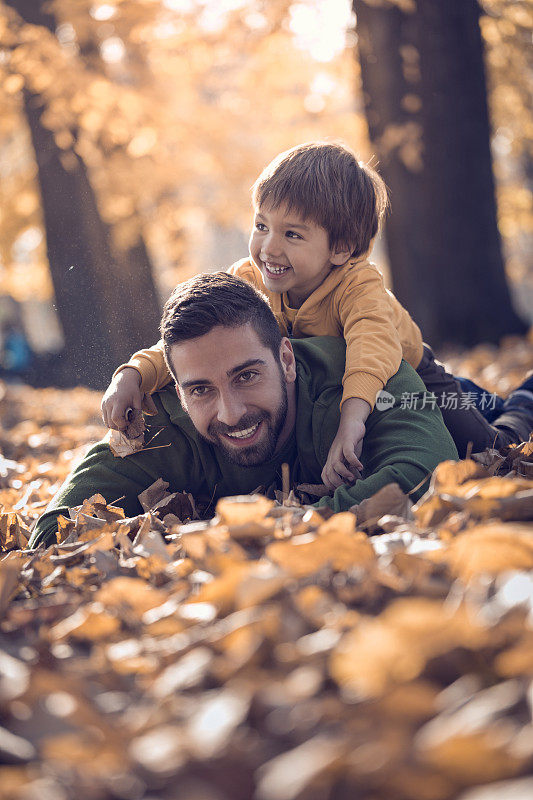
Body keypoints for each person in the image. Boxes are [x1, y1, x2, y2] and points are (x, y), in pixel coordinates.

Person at [101, 142, 533, 486]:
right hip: (355, 383)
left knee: (490, 450)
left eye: (292, 234)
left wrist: (351, 419)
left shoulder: (358, 285)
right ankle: (488, 398)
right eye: (262, 225)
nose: (269, 247)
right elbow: (191, 338)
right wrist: (133, 375)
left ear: (340, 248)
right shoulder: (249, 280)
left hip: (413, 378)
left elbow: (371, 348)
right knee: (478, 404)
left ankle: (523, 402)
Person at [29, 273, 459, 549]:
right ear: (177, 392)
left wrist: (274, 532)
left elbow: (430, 471)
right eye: (200, 390)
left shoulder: (362, 377)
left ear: (286, 359)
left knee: (505, 424)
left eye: (246, 377)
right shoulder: (163, 423)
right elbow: (53, 529)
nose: (230, 413)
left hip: (446, 391)